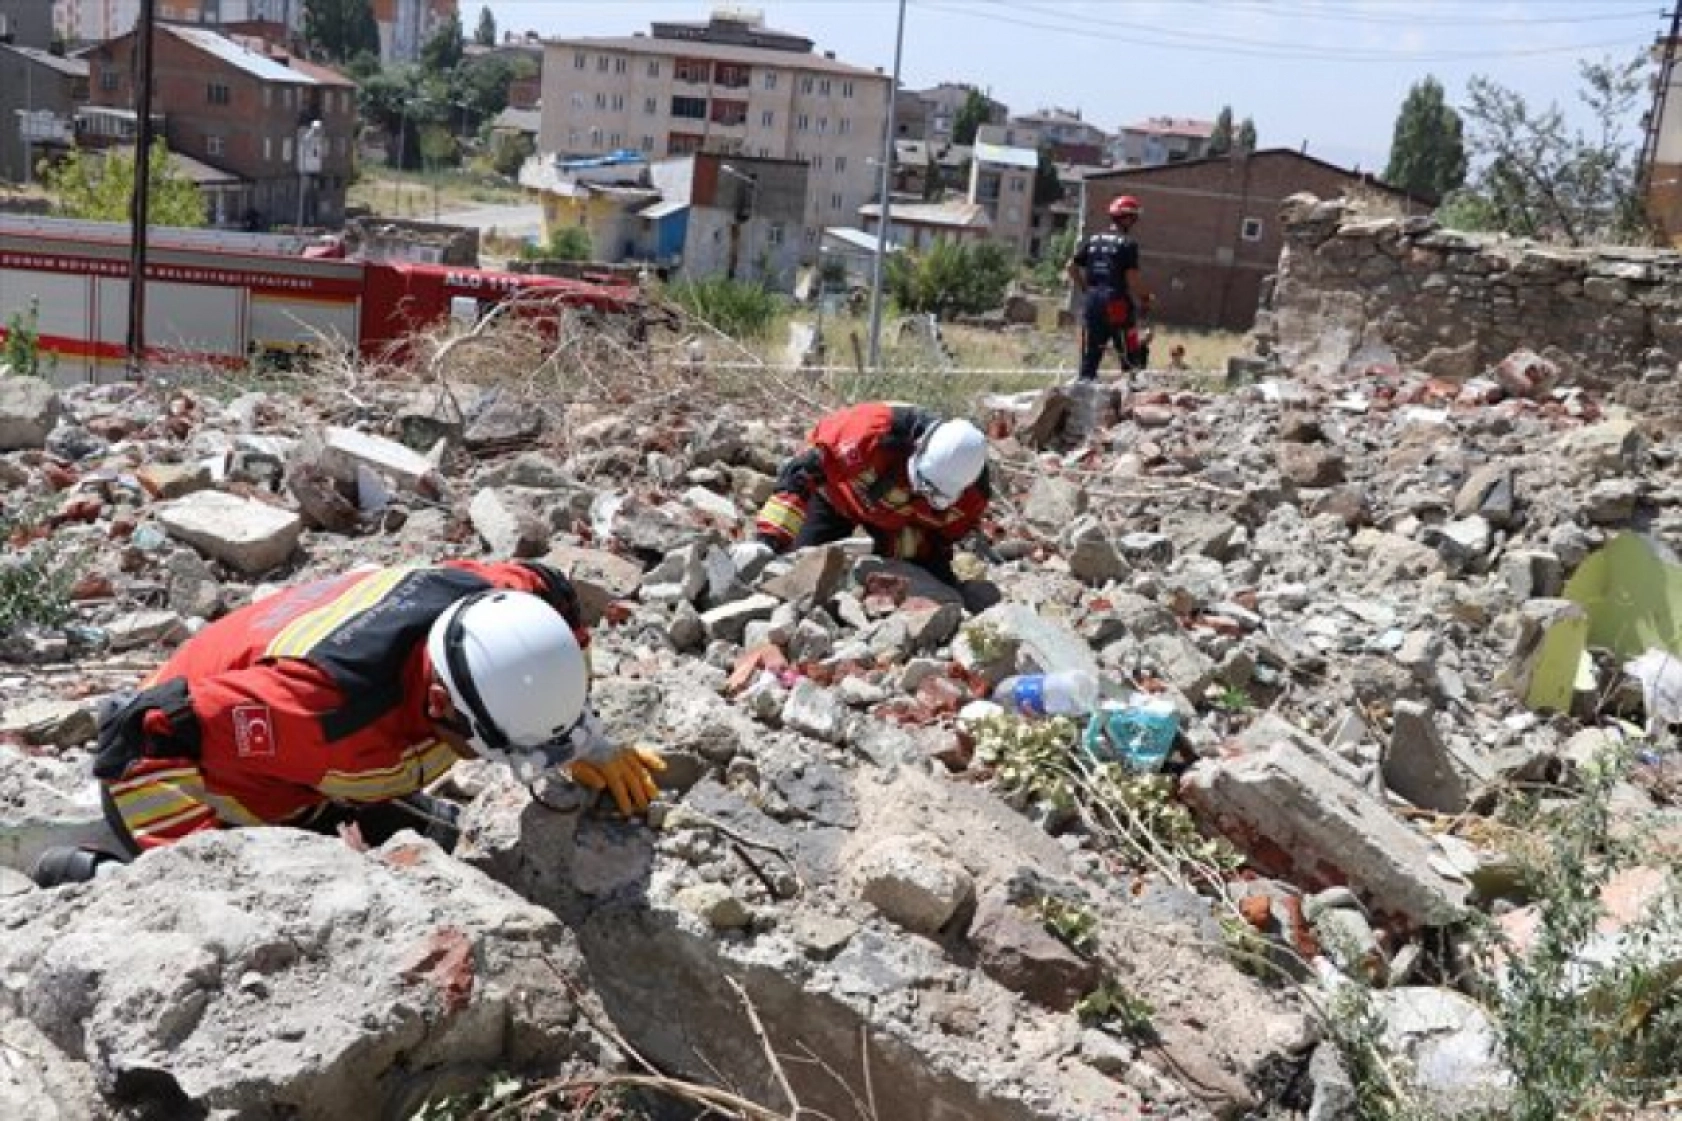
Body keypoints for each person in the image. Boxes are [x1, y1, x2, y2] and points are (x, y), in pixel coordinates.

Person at [30, 558, 665, 886]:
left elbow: (555, 591)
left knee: (436, 848)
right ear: (440, 703)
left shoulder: (503, 599)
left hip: (322, 766)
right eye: (483, 747)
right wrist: (200, 871)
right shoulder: (319, 707)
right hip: (208, 775)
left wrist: (580, 734)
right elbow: (142, 731)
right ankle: (95, 873)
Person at [750, 402, 990, 588]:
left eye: (933, 494)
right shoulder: (868, 431)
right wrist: (768, 540)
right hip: (839, 500)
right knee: (794, 571)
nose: (922, 492)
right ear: (919, 446)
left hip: (897, 529)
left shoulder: (972, 498)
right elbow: (800, 474)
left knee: (934, 585)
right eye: (923, 483)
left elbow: (941, 540)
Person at [1066, 195, 1156, 382]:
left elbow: (1071, 267)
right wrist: (1145, 298)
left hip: (1092, 303)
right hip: (1117, 305)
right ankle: (1132, 394)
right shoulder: (1127, 244)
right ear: (1129, 219)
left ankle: (1083, 393)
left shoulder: (1093, 240)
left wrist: (1085, 287)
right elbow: (1131, 278)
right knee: (1129, 357)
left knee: (1090, 360)